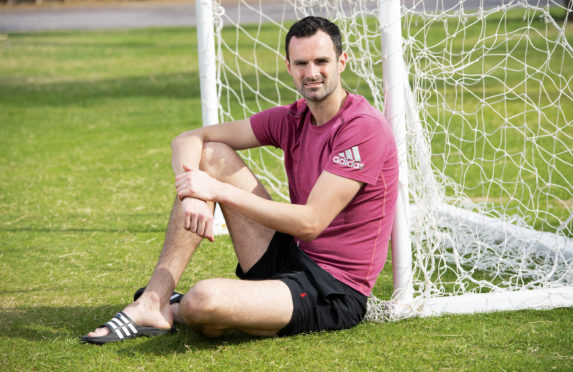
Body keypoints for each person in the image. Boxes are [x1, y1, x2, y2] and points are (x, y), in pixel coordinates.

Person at [82, 15, 398, 345]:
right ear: (288, 66)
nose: (312, 72)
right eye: (302, 63)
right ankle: (153, 300)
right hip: (291, 255)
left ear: (341, 62)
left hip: (332, 289)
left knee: (203, 300)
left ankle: (178, 307)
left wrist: (218, 191)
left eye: (322, 61)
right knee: (211, 155)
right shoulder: (292, 118)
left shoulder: (363, 128)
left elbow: (311, 223)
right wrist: (192, 192)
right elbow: (188, 139)